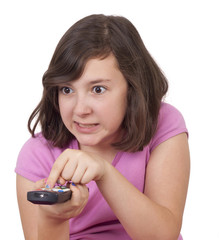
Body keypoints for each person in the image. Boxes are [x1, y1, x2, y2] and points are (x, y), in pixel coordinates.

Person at [15, 14, 190, 240]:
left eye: (98, 89)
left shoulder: (163, 124)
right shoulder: (37, 154)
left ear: (132, 88)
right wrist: (52, 218)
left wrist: (105, 173)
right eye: (67, 90)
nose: (80, 110)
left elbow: (162, 235)